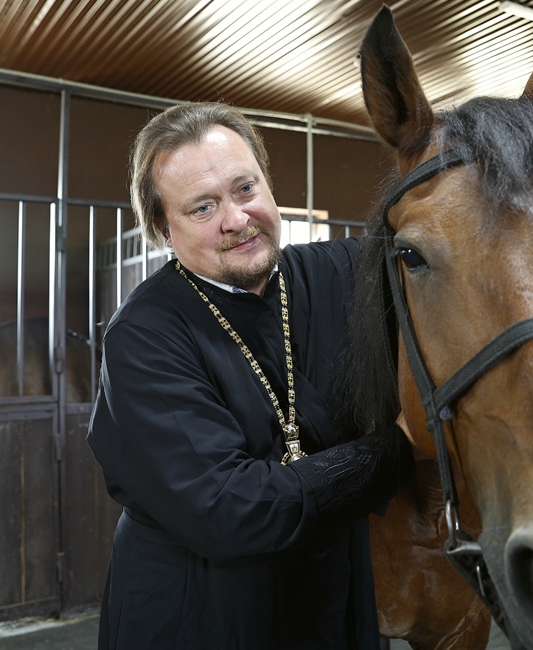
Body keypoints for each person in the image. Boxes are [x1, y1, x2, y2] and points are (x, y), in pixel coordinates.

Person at [87, 101, 415, 649]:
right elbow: (230, 509)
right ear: (165, 229)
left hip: (332, 601)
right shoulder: (143, 336)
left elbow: (449, 254)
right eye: (202, 208)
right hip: (200, 614)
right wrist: (395, 452)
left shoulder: (342, 273)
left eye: (245, 189)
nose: (236, 219)